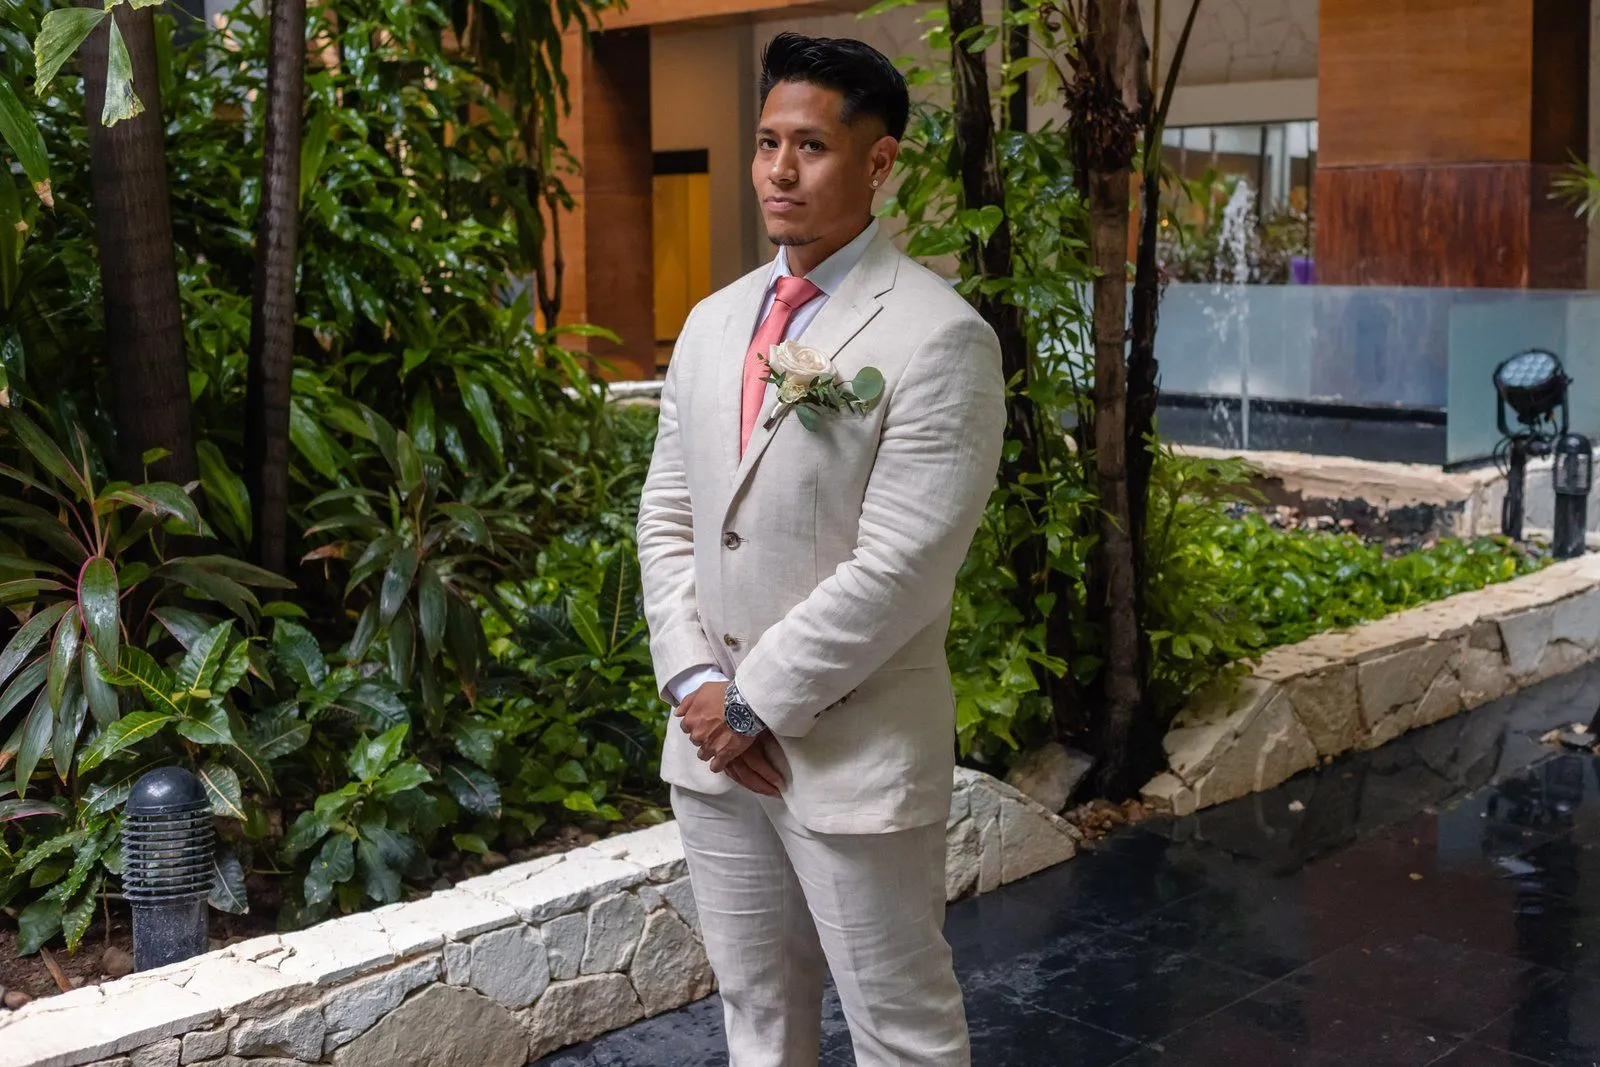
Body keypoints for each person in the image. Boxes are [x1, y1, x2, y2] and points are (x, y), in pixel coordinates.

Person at [636, 31, 1004, 1067]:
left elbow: (902, 568)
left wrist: (752, 702)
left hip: (852, 753)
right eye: (767, 143)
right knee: (756, 1016)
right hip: (712, 751)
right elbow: (668, 519)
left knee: (901, 1032)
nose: (779, 171)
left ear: (878, 161)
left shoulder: (939, 336)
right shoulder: (712, 324)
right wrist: (697, 683)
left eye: (811, 146)